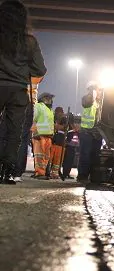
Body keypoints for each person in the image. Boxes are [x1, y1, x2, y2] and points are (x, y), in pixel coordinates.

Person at [0, 0, 46, 184]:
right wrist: (23, 72)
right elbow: (40, 70)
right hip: (19, 91)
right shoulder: (30, 42)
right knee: (14, 133)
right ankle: (7, 172)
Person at [77, 81, 103, 183]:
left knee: (94, 156)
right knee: (85, 155)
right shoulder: (87, 99)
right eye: (96, 89)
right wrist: (93, 91)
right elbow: (87, 103)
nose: (99, 91)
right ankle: (82, 176)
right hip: (86, 132)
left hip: (97, 134)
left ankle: (93, 177)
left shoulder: (99, 103)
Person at [31, 92, 55, 179]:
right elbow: (34, 119)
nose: (50, 100)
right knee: (39, 156)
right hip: (39, 135)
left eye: (51, 99)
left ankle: (42, 172)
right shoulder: (39, 106)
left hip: (48, 136)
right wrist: (34, 132)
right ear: (43, 98)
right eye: (48, 98)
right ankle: (39, 173)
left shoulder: (50, 110)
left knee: (46, 156)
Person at [61, 114, 80, 181]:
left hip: (72, 146)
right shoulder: (68, 126)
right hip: (69, 146)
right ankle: (65, 174)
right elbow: (68, 134)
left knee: (70, 161)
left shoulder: (72, 126)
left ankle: (66, 173)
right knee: (68, 161)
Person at [49, 112, 68, 179]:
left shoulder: (59, 133)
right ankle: (54, 173)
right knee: (57, 161)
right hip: (59, 145)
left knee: (55, 160)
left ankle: (52, 173)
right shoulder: (62, 134)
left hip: (57, 145)